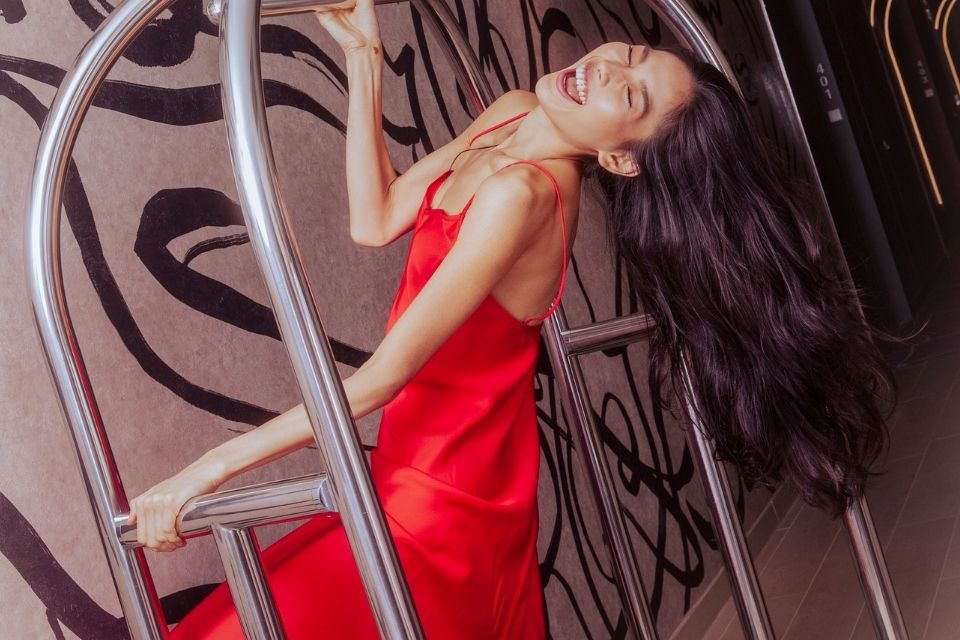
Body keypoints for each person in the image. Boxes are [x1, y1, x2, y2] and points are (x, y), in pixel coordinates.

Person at [126, 0, 903, 636]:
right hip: (406, 477)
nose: (600, 67)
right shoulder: (512, 112)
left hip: (447, 508)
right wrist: (366, 58)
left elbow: (382, 377)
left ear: (623, 159)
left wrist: (201, 475)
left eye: (625, 96)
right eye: (624, 55)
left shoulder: (524, 198)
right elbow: (379, 217)